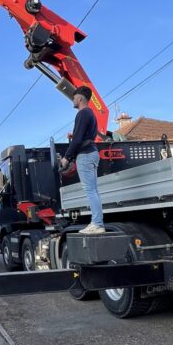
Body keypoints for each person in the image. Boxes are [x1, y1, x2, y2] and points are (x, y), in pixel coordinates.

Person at [58, 86, 106, 234]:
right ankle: (97, 222)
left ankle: (97, 223)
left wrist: (66, 157)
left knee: (90, 190)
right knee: (94, 190)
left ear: (79, 98)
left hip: (85, 155)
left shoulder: (82, 114)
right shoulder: (90, 113)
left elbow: (78, 139)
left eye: (73, 98)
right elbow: (82, 136)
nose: (72, 100)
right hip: (92, 152)